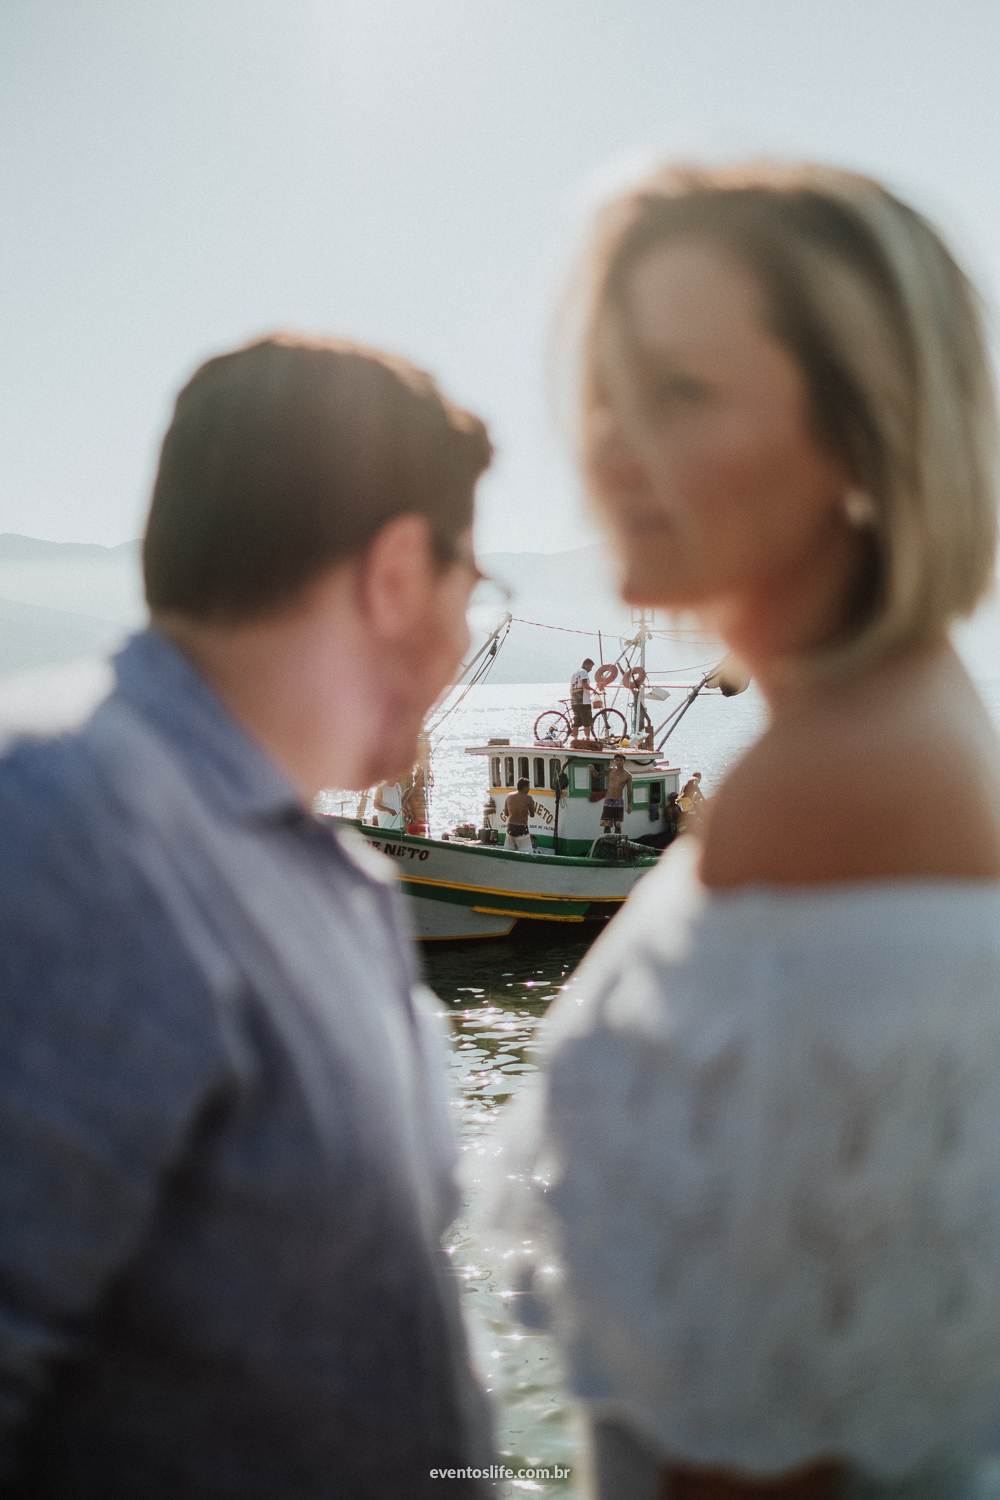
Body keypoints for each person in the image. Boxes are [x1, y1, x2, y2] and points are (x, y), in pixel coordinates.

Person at [494, 164, 1000, 1499]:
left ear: (862, 429)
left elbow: (761, 1448)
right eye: (608, 392)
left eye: (681, 391)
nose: (613, 446)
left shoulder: (835, 791)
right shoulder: (892, 731)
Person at [0, 336, 496, 1498]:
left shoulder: (328, 877)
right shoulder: (70, 828)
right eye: (473, 588)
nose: (468, 632)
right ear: (395, 574)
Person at [600, 751, 633, 833]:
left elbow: (629, 790)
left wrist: (629, 805)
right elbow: (598, 776)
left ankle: (618, 840)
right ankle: (607, 839)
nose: (619, 762)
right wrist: (593, 770)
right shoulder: (610, 770)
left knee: (618, 826)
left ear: (624, 761)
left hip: (618, 801)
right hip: (608, 800)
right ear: (614, 761)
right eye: (617, 760)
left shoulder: (628, 775)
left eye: (620, 760)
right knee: (606, 825)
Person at [503, 777, 537, 853]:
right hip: (522, 829)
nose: (529, 789)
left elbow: (506, 813)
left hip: (510, 828)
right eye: (528, 787)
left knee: (508, 853)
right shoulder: (529, 798)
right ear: (524, 788)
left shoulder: (509, 797)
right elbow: (532, 815)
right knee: (527, 854)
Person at [570, 657, 596, 745]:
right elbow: (584, 684)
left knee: (576, 723)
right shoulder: (584, 672)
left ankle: (575, 740)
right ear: (586, 664)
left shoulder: (575, 673)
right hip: (584, 702)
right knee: (587, 723)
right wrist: (593, 690)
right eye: (591, 667)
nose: (591, 669)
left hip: (575, 701)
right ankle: (588, 740)